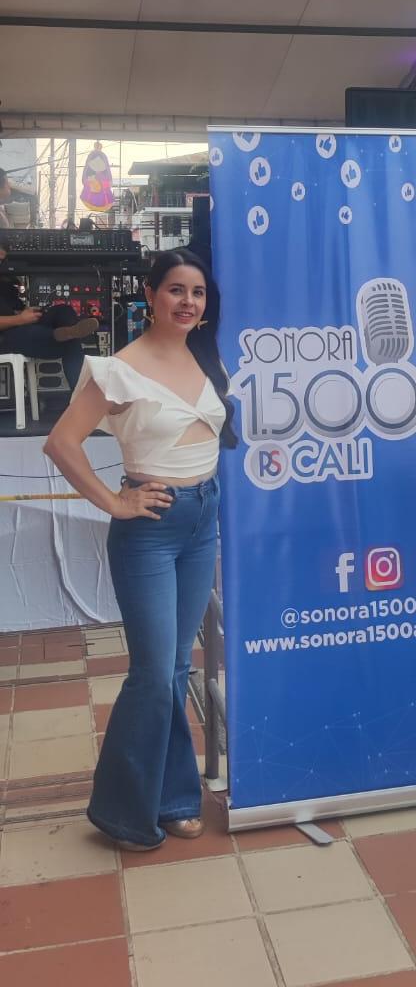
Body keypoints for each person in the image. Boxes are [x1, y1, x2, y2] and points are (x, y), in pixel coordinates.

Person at [43, 249, 237, 851]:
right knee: (153, 673)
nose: (187, 302)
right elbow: (61, 443)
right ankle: (123, 812)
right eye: (175, 289)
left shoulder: (206, 356)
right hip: (149, 528)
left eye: (197, 292)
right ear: (150, 295)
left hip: (203, 519)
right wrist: (114, 501)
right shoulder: (118, 370)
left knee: (176, 668)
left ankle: (174, 798)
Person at [0, 231, 98, 390]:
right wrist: (19, 319)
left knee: (64, 311)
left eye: (2, 260)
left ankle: (68, 331)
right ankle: (66, 334)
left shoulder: (4, 282)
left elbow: (9, 310)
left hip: (15, 324)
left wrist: (23, 314)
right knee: (70, 343)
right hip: (5, 337)